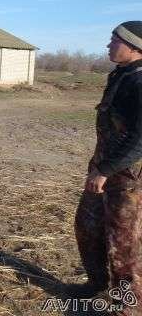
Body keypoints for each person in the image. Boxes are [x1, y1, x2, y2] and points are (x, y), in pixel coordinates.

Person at [75, 21, 142, 313]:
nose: (108, 45)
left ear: (136, 48)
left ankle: (128, 306)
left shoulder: (140, 82)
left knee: (123, 245)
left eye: (115, 40)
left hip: (128, 176)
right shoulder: (121, 76)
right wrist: (99, 168)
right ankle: (98, 287)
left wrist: (106, 170)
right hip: (103, 168)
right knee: (87, 227)